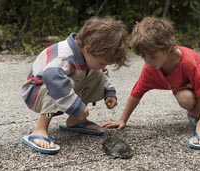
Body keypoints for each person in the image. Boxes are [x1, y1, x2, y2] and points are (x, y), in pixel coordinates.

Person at [102, 17, 200, 150]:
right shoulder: (150, 68)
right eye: (144, 57)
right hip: (188, 90)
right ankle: (195, 116)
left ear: (167, 48)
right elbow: (136, 93)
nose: (148, 61)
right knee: (185, 98)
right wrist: (123, 119)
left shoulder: (187, 62)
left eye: (153, 56)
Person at [20, 16, 128, 154]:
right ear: (88, 49)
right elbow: (52, 78)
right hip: (35, 93)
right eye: (102, 62)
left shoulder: (88, 55)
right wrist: (76, 106)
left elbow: (102, 72)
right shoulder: (64, 56)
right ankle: (40, 129)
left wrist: (109, 92)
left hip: (57, 92)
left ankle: (75, 121)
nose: (104, 66)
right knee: (57, 82)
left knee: (96, 73)